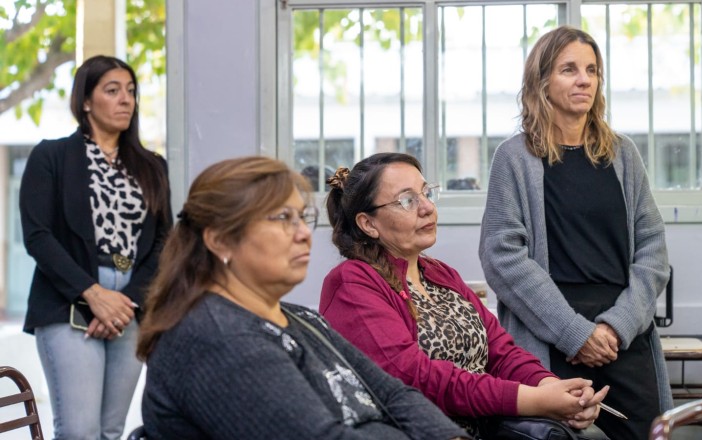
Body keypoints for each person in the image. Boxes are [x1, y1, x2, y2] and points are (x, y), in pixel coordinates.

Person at [136, 156, 469, 440]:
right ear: (220, 241)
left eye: (302, 217)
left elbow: (392, 393)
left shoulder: (301, 318)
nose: (302, 234)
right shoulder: (216, 336)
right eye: (283, 218)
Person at [320, 152, 607, 437]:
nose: (427, 208)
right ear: (368, 224)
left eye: (426, 193)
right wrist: (533, 400)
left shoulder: (440, 273)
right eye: (407, 201)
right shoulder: (352, 283)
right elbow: (413, 378)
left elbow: (502, 353)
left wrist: (552, 387)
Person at [478, 25, 672, 440]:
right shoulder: (514, 158)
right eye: (569, 69)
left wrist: (615, 327)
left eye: (592, 70)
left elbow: (653, 251)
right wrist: (575, 333)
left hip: (623, 334)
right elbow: (502, 256)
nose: (584, 79)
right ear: (542, 81)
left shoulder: (622, 153)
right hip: (549, 331)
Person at [19, 55, 171, 439]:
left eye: (131, 91)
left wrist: (125, 301)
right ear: (86, 101)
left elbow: (163, 242)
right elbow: (38, 235)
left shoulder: (153, 166)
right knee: (79, 431)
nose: (126, 100)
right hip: (68, 300)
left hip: (131, 305)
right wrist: (94, 295)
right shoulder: (51, 157)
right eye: (112, 90)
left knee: (110, 431)